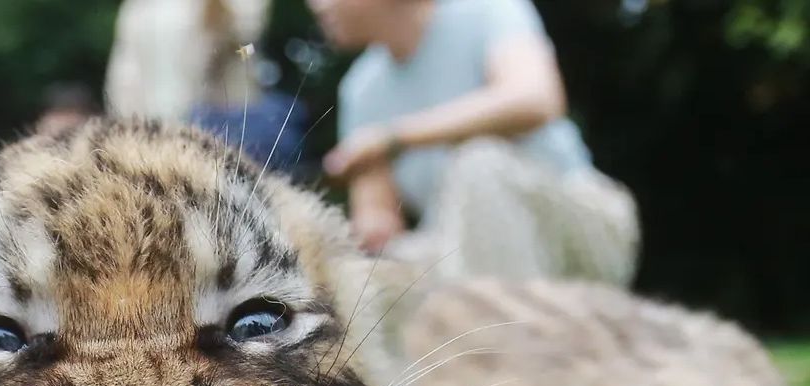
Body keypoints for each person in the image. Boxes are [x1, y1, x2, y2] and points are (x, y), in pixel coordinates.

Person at [311, 0, 639, 285]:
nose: (317, 5)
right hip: (455, 249)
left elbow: (536, 99)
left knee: (479, 165)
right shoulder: (360, 88)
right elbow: (378, 219)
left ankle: (510, 344)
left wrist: (395, 138)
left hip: (581, 225)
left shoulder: (487, 10)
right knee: (382, 270)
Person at [106, 0, 306, 173]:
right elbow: (124, 79)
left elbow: (250, 49)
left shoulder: (136, 10)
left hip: (218, 125)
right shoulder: (138, 9)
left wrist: (232, 49)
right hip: (170, 132)